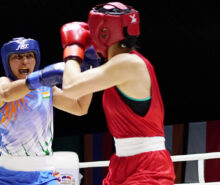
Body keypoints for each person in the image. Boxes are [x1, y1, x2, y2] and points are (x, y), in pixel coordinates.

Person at [60, 2, 176, 185]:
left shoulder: (127, 63)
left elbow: (70, 86)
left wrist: (73, 48)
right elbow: (80, 104)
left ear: (103, 33)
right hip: (123, 163)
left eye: (92, 30)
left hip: (147, 167)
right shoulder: (119, 66)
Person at [0, 37, 93, 185]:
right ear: (7, 62)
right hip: (6, 176)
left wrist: (88, 71)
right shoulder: (3, 83)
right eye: (17, 57)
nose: (25, 61)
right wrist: (41, 77)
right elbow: (6, 93)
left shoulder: (47, 88)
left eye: (29, 55)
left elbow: (80, 107)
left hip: (44, 176)